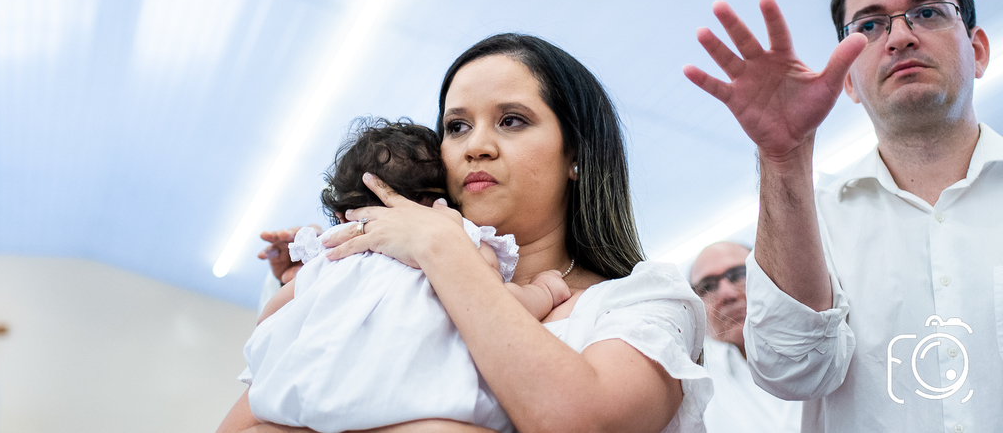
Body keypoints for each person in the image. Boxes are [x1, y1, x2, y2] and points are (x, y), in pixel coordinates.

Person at [221, 33, 711, 433]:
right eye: (456, 127)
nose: (476, 146)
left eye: (512, 121)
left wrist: (442, 249)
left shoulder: (643, 302)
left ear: (577, 154)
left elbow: (582, 422)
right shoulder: (384, 281)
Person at [684, 0, 999, 433]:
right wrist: (783, 156)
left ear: (978, 51)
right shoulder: (812, 220)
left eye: (929, 12)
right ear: (849, 80)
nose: (900, 38)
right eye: (870, 26)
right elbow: (792, 371)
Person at [240, 119, 572, 432]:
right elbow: (497, 304)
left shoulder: (333, 257)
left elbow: (271, 316)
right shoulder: (455, 241)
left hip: (304, 404)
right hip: (407, 406)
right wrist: (542, 291)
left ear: (343, 215)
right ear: (442, 203)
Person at [690, 241, 801, 433]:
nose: (727, 294)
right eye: (708, 286)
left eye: (739, 274)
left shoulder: (820, 339)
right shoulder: (692, 389)